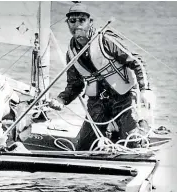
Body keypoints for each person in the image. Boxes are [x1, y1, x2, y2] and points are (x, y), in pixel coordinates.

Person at [49, 3, 155, 150]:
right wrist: (61, 99)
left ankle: (140, 127)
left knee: (132, 144)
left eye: (82, 20)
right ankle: (110, 135)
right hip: (97, 104)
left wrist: (145, 89)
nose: (77, 25)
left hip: (124, 99)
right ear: (68, 24)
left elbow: (136, 62)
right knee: (84, 147)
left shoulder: (105, 40)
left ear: (90, 22)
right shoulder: (72, 53)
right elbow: (75, 85)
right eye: (72, 21)